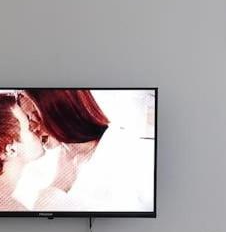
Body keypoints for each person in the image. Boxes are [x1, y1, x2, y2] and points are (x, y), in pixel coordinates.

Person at [18, 89, 153, 212]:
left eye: (35, 114)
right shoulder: (40, 166)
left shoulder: (125, 151)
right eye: (26, 118)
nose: (31, 127)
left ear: (60, 110)